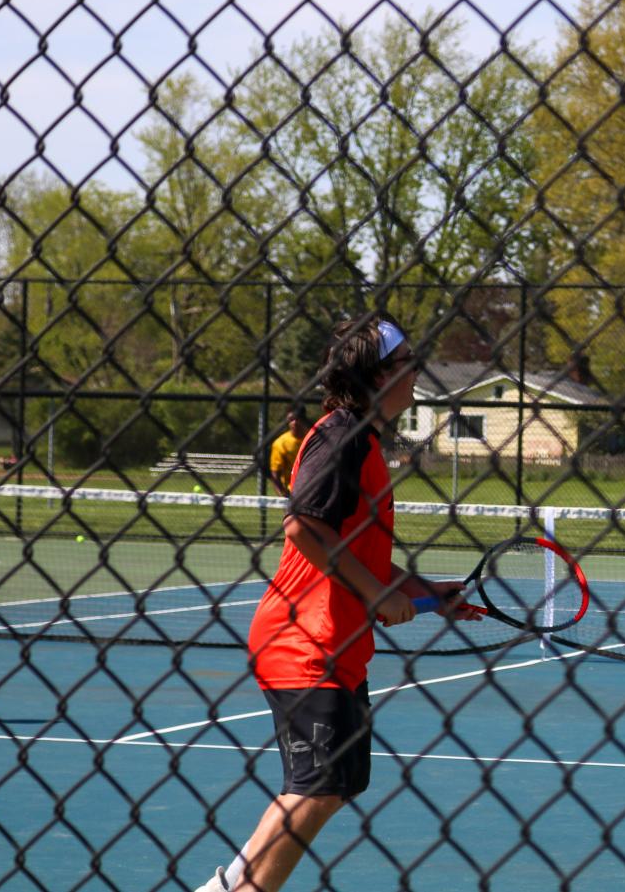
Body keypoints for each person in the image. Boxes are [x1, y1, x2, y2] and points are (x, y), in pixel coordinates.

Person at [197, 317, 479, 892]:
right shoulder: (341, 435)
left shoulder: (366, 441)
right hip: (301, 642)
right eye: (407, 363)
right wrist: (378, 595)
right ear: (377, 376)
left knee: (337, 785)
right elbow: (303, 527)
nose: (418, 372)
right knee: (318, 786)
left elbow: (359, 554)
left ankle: (226, 885)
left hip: (338, 646)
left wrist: (429, 592)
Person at [267, 409, 309, 496]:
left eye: (297, 419)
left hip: (311, 488)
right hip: (292, 491)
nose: (294, 422)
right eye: (291, 419)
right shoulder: (281, 443)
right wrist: (283, 496)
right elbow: (275, 474)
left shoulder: (313, 438)